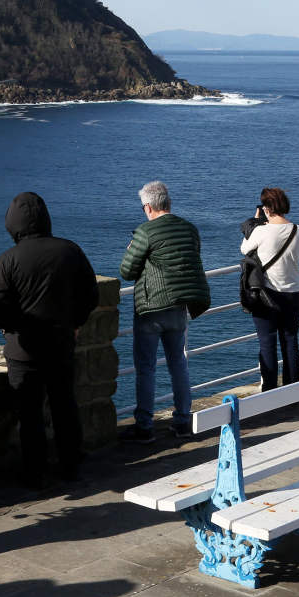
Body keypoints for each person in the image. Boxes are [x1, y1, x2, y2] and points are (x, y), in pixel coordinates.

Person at [0, 192, 99, 488]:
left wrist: (10, 326)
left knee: (30, 412)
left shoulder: (8, 259)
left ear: (13, 223)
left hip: (23, 348)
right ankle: (70, 465)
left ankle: (34, 473)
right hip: (61, 342)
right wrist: (75, 322)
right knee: (64, 406)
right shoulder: (70, 251)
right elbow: (90, 295)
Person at [118, 181, 210, 441]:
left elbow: (126, 271)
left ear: (148, 207)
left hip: (151, 308)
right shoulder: (189, 229)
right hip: (179, 308)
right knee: (178, 364)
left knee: (146, 368)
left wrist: (130, 251)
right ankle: (182, 421)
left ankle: (145, 426)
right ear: (167, 202)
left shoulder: (145, 232)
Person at [239, 188, 299, 391]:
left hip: (266, 295)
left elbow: (245, 248)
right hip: (293, 293)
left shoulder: (261, 231)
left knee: (267, 344)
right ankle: (292, 390)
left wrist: (255, 222)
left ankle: (269, 391)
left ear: (266, 208)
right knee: (290, 341)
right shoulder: (298, 230)